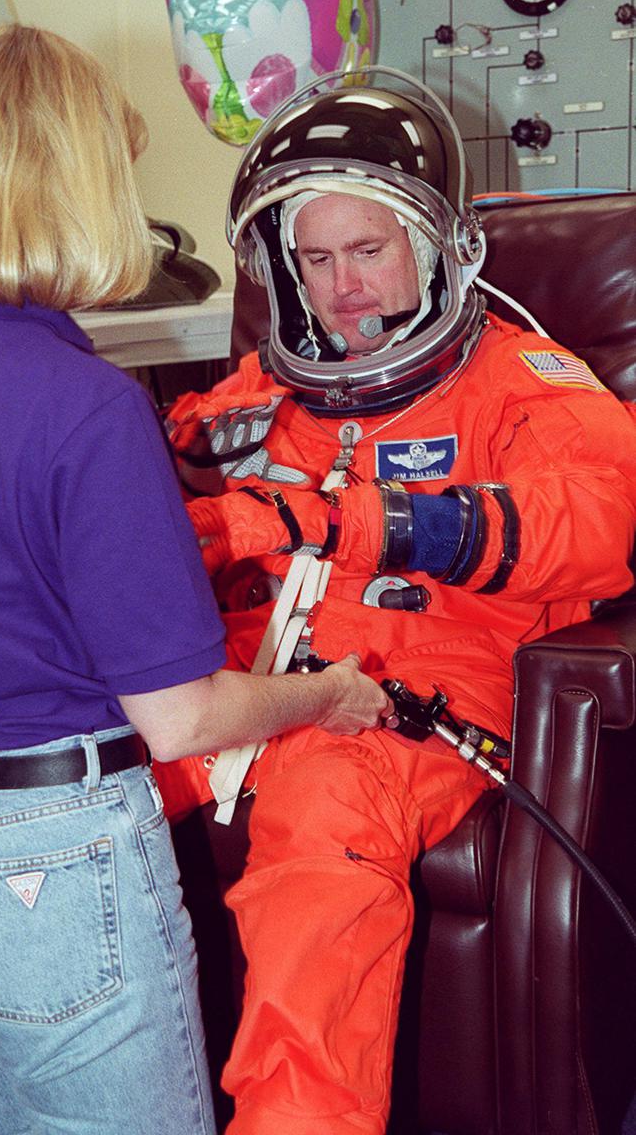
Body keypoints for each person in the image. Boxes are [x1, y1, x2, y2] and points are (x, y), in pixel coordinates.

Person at [0, 25, 390, 1135]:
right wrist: (326, 692)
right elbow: (177, 719)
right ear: (79, 187)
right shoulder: (86, 406)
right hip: (51, 873)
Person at [156, 68, 636, 1135]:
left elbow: (592, 526)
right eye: (315, 260)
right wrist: (163, 492)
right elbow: (170, 474)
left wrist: (325, 521)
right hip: (248, 679)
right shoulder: (264, 391)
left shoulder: (527, 382)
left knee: (318, 837)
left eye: (365, 250)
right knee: (52, 770)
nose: (342, 288)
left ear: (435, 246)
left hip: (412, 696)